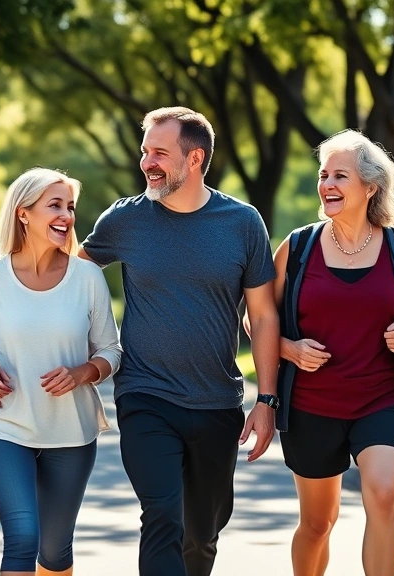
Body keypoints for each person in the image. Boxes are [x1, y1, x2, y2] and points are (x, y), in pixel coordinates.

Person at [82, 107, 281, 576]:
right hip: (145, 395)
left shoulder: (242, 223)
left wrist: (267, 399)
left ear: (195, 159)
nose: (147, 162)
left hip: (216, 401)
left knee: (202, 532)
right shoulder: (124, 221)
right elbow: (67, 278)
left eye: (159, 153)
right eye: (145, 151)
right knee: (162, 515)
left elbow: (264, 314)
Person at [259, 129, 394, 576]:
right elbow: (258, 318)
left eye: (340, 175)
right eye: (323, 175)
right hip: (311, 404)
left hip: (384, 398)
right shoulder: (297, 249)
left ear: (371, 187)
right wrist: (288, 348)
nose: (327, 185)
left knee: (381, 493)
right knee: (318, 523)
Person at [0, 168, 122, 576]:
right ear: (24, 214)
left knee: (54, 548)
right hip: (5, 429)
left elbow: (111, 351)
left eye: (70, 207)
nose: (66, 215)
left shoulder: (87, 278)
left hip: (71, 433)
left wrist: (83, 373)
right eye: (55, 205)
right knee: (21, 538)